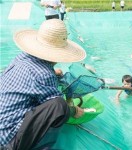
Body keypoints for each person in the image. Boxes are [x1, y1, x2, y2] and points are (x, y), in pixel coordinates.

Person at [0, 19, 87, 149]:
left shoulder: (20, 58)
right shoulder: (44, 75)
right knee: (59, 105)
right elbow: (56, 110)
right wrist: (73, 110)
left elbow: (34, 79)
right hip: (8, 140)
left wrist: (52, 73)